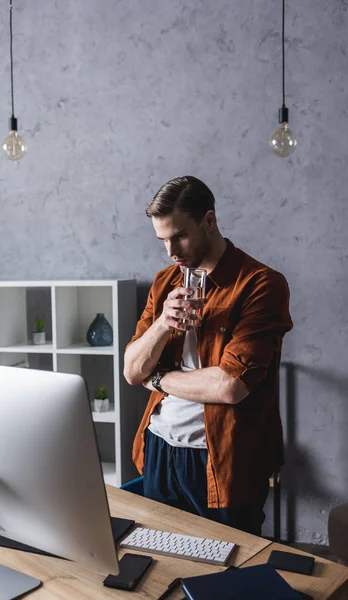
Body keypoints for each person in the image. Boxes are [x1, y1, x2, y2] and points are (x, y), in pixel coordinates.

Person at [123, 175, 293, 535]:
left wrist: (159, 379)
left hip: (222, 458)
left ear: (209, 221)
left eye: (180, 235)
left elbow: (231, 385)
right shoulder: (165, 282)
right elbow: (131, 370)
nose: (171, 250)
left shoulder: (261, 284)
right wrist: (162, 325)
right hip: (159, 447)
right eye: (163, 240)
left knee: (230, 569)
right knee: (161, 561)